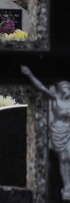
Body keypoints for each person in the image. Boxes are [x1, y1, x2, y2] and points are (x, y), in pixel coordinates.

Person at [21, 65, 70, 200]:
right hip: (59, 131)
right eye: (65, 87)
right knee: (63, 159)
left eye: (69, 87)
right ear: (60, 89)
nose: (67, 89)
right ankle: (66, 187)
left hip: (69, 131)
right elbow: (41, 87)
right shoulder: (55, 99)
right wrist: (29, 74)